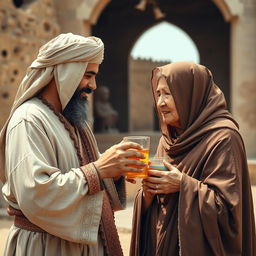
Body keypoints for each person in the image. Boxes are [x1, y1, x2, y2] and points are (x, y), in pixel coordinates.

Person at [0, 33, 146, 256]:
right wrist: (99, 170)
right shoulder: (29, 119)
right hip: (46, 247)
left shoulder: (76, 122)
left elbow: (93, 174)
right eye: (88, 75)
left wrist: (116, 170)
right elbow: (36, 194)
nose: (94, 85)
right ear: (63, 72)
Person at [130, 62, 256, 255]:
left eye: (168, 93)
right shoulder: (169, 140)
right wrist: (148, 193)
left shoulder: (223, 138)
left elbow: (229, 212)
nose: (160, 103)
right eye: (158, 94)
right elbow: (155, 202)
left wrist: (182, 184)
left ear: (188, 95)